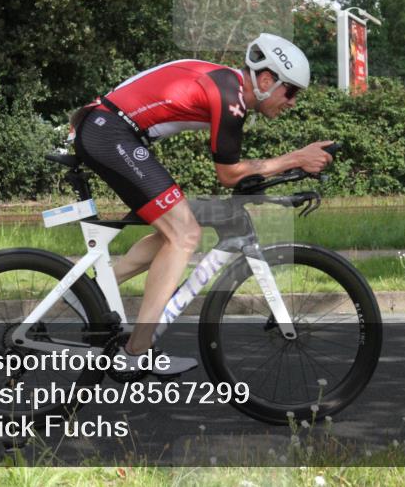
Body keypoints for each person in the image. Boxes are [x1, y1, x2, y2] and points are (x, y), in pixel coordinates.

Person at [71, 33, 334, 376]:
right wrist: (295, 158)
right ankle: (137, 351)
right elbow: (229, 174)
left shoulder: (229, 86)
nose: (293, 102)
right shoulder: (231, 96)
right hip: (110, 133)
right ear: (267, 80)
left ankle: (84, 293)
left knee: (178, 225)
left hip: (109, 129)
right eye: (292, 91)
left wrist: (286, 167)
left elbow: (238, 172)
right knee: (184, 234)